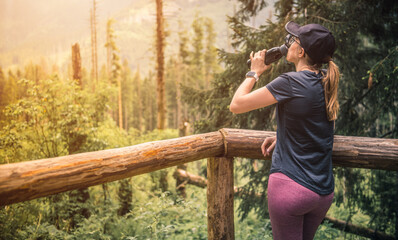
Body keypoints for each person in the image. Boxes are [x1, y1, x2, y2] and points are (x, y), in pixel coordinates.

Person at [229, 21, 340, 240]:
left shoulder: (289, 82)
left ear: (300, 52)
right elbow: (311, 122)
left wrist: (254, 72)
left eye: (294, 40)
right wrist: (282, 137)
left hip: (291, 186)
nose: (288, 42)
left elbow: (237, 105)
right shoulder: (326, 79)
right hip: (323, 191)